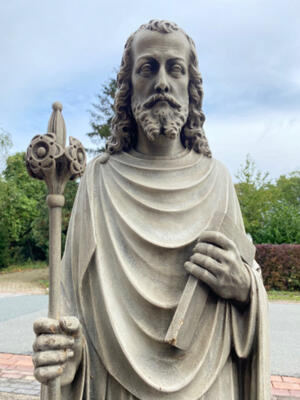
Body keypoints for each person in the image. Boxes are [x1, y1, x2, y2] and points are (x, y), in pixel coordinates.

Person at [33, 20, 269, 399]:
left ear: (191, 90)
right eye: (148, 68)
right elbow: (71, 310)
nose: (162, 82)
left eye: (175, 68)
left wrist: (244, 290)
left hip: (210, 384)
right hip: (117, 385)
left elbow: (246, 279)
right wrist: (66, 354)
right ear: (127, 89)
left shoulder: (218, 179)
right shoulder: (98, 181)